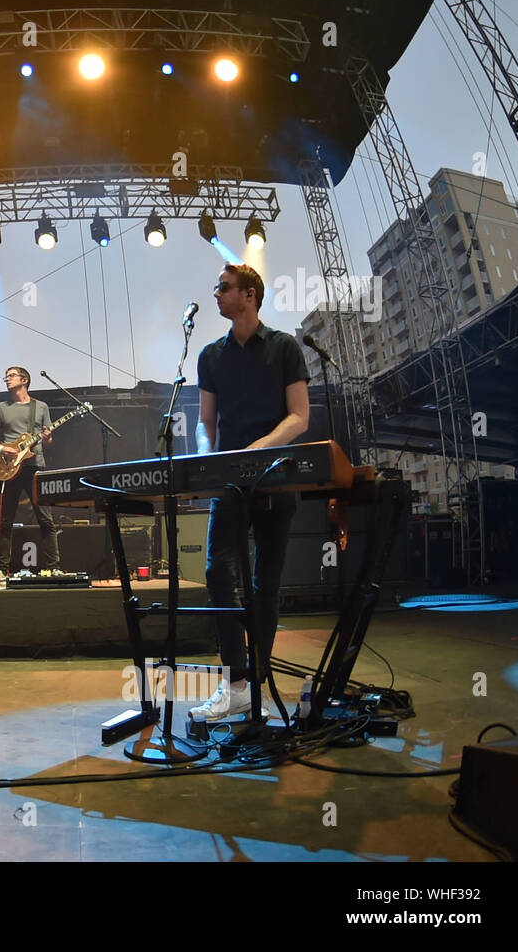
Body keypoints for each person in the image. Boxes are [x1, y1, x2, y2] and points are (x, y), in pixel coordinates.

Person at [190, 263, 310, 721]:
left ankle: (257, 682)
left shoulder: (283, 347)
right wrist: (205, 455)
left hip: (276, 476)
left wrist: (259, 449)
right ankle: (236, 683)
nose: (217, 294)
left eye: (224, 288)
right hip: (229, 480)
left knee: (266, 582)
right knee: (219, 572)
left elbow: (300, 416)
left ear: (250, 294)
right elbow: (206, 421)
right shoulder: (210, 356)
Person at [0, 366, 60, 574]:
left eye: (11, 376)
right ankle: (1, 570)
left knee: (45, 518)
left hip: (35, 466)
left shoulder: (41, 407)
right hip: (9, 468)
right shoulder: (2, 407)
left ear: (24, 380)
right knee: (6, 519)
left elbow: (48, 441)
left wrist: (47, 438)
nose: (7, 379)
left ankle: (54, 568)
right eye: (6, 376)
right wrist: (2, 448)